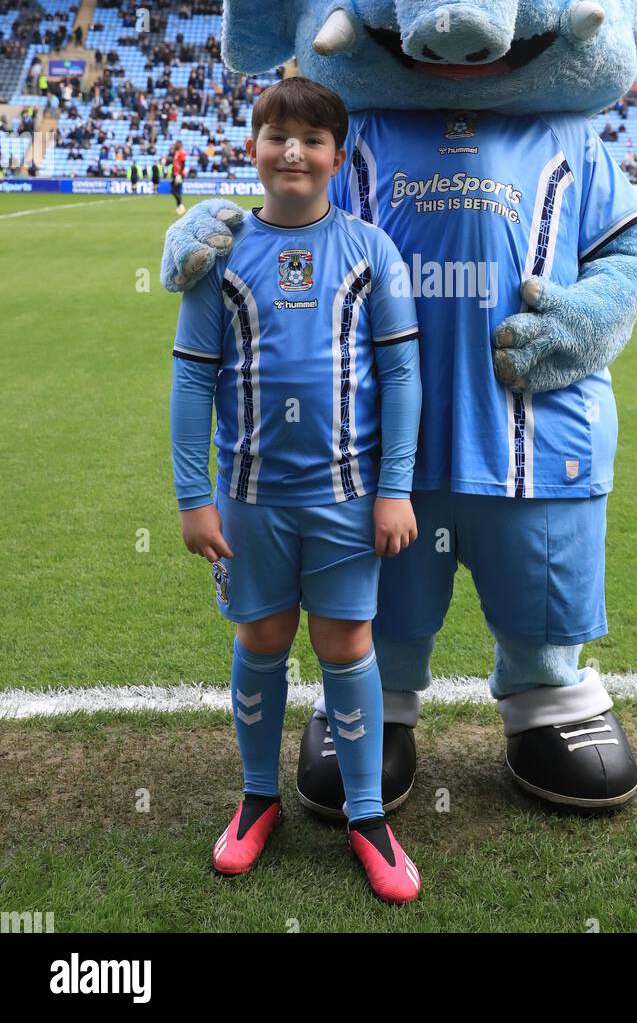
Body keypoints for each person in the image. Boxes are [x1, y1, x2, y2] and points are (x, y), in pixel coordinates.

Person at [169, 77, 423, 903]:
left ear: (336, 157)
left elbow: (402, 375)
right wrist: (192, 495)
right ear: (253, 147)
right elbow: (191, 381)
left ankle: (366, 815)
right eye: (277, 136)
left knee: (346, 647)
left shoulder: (371, 250)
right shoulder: (220, 253)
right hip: (250, 498)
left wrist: (394, 489)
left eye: (312, 140)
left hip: (349, 498)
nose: (293, 152)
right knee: (262, 640)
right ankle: (255, 800)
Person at [170, 141, 187, 215]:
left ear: (180, 144)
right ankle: (178, 207)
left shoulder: (182, 152)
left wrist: (180, 174)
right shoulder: (176, 152)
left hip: (179, 174)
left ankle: (181, 206)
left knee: (175, 190)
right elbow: (174, 163)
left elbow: (183, 164)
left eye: (177, 144)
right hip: (175, 173)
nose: (175, 145)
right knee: (174, 190)